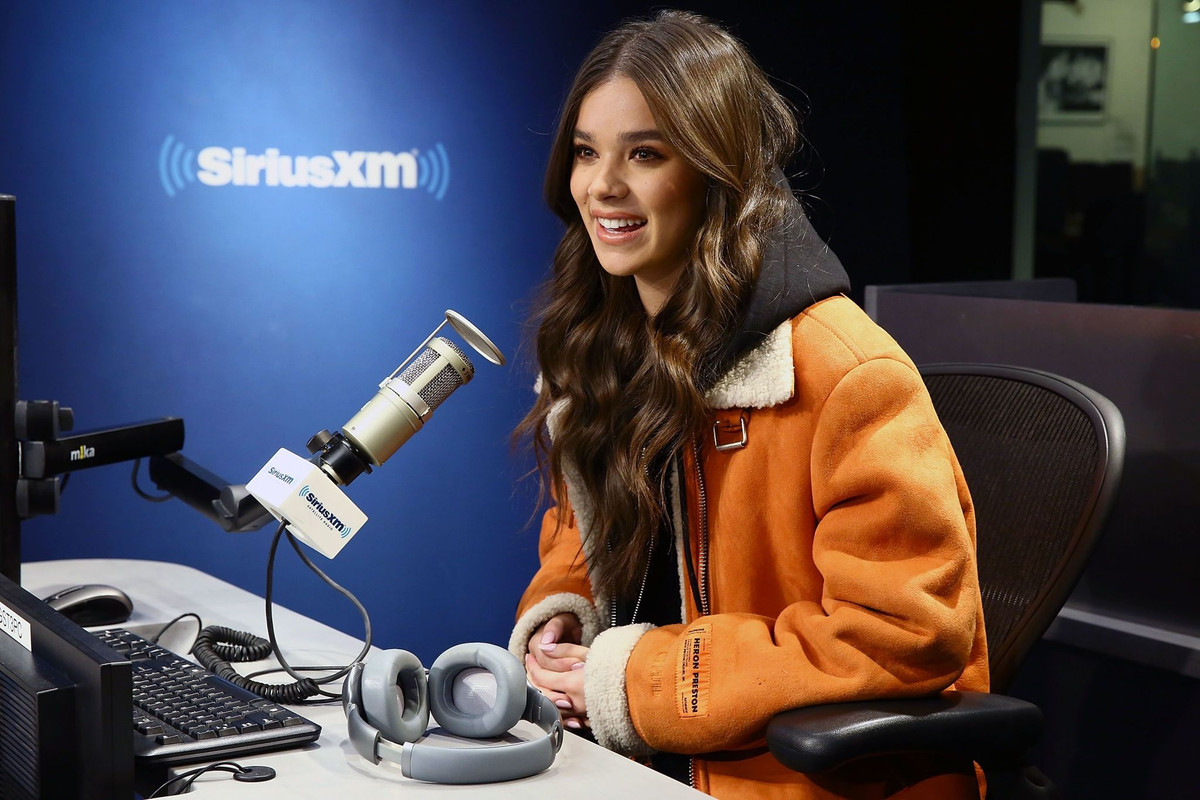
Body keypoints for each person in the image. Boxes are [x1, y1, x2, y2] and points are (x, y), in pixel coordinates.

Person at [509, 10, 989, 800]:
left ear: (716, 168)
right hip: (635, 767)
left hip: (797, 781)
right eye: (587, 153)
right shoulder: (610, 349)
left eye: (646, 154)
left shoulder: (848, 372)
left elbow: (904, 635)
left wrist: (640, 680)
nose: (602, 186)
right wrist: (565, 618)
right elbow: (584, 535)